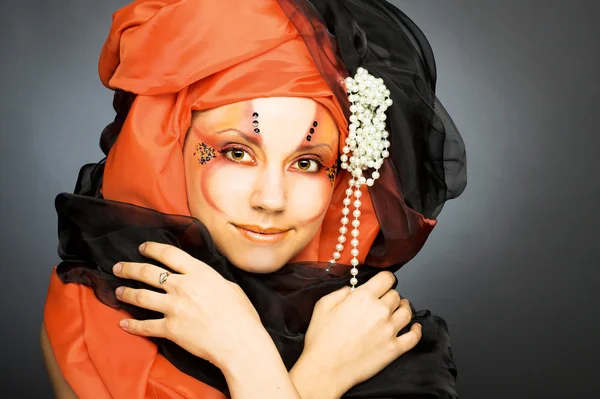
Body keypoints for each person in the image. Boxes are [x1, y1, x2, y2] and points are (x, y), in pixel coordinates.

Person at [40, 0, 467, 398]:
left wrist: (246, 354)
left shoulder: (378, 331)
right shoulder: (93, 312)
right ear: (173, 152)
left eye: (307, 163)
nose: (271, 198)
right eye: (237, 153)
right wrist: (298, 371)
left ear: (341, 177)